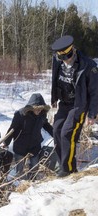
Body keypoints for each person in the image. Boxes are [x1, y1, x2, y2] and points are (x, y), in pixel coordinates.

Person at [51, 35, 98, 177]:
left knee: (67, 133)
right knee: (56, 130)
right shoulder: (57, 60)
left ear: (73, 51)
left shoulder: (88, 65)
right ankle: (62, 164)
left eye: (68, 56)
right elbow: (54, 78)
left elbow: (95, 91)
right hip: (63, 103)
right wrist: (53, 97)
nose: (66, 60)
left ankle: (68, 169)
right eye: (62, 57)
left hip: (79, 105)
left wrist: (93, 113)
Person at [2, 93, 53, 180]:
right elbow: (12, 129)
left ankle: (32, 183)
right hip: (20, 145)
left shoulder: (42, 115)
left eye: (40, 109)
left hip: (34, 144)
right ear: (31, 107)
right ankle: (18, 184)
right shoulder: (20, 115)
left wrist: (56, 134)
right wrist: (6, 142)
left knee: (34, 167)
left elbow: (46, 125)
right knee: (19, 169)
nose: (38, 111)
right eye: (36, 109)